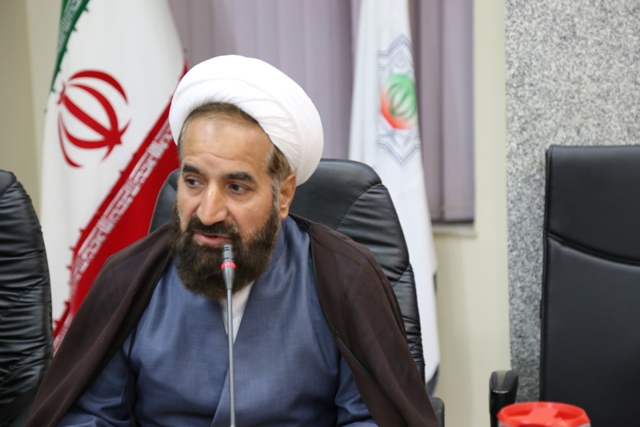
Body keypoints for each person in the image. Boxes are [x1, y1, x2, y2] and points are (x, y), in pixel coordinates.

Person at [26, 55, 438, 427]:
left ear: (284, 195)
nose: (208, 212)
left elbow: (371, 419)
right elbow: (91, 416)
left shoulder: (344, 279)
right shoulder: (130, 279)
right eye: (193, 181)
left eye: (236, 187)